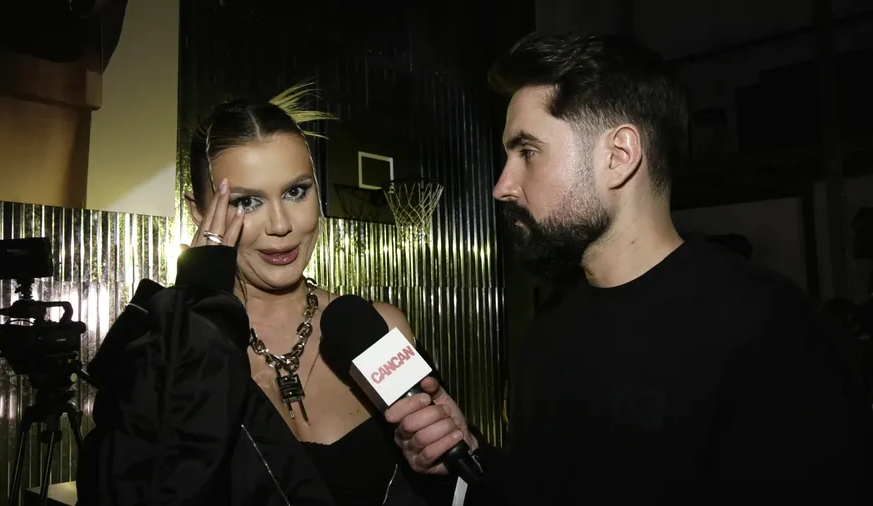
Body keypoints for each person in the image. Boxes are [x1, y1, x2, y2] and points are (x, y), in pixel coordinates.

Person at [384, 32, 873, 504]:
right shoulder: (552, 325)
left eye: (527, 152)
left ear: (619, 156)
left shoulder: (770, 329)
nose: (502, 186)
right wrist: (470, 456)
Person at [78, 85, 455, 505]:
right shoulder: (160, 349)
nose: (280, 225)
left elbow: (446, 477)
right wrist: (197, 315)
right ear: (199, 213)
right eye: (246, 202)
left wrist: (442, 462)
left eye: (296, 192)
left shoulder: (378, 328)